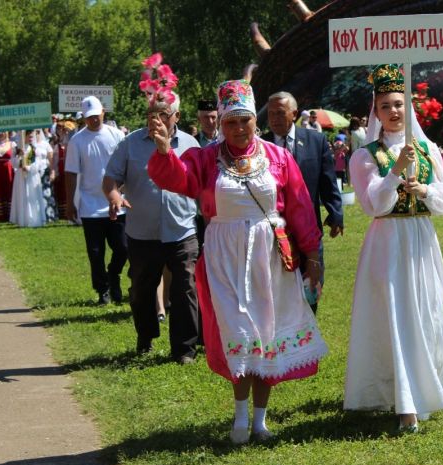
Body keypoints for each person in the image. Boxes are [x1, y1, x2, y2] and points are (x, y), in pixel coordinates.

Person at [147, 79, 328, 444]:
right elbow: (175, 179)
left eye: (244, 120)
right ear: (221, 124)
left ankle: (259, 421)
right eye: (231, 122)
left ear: (254, 121)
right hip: (223, 257)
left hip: (270, 255)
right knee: (239, 333)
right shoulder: (204, 158)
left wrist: (311, 254)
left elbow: (300, 207)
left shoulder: (278, 158)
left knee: (268, 333)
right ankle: (240, 419)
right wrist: (165, 150)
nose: (238, 128)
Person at [343, 64, 443, 432]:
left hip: (421, 240)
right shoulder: (364, 157)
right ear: (375, 112)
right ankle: (403, 403)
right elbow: (374, 205)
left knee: (425, 312)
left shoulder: (427, 149)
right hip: (388, 243)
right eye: (385, 106)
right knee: (395, 316)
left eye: (398, 104)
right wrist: (395, 173)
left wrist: (426, 191)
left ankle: (426, 390)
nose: (393, 111)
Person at [103, 92, 201, 363]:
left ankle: (184, 349)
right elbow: (111, 177)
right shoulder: (130, 143)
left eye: (162, 115)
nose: (155, 120)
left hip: (182, 231)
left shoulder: (191, 145)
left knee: (186, 289)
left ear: (177, 117)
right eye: (150, 115)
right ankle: (145, 335)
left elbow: (200, 182)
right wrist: (113, 197)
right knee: (141, 291)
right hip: (142, 233)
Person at [263, 91, 344, 314]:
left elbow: (328, 182)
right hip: (273, 230)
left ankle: (309, 335)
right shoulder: (260, 145)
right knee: (276, 289)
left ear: (294, 114)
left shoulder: (315, 141)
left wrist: (336, 214)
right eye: (270, 114)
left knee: (311, 285)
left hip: (308, 228)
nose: (275, 119)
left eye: (280, 113)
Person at [65, 96, 127, 305]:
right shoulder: (77, 141)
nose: (94, 120)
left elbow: (127, 167)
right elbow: (71, 173)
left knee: (123, 248)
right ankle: (103, 290)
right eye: (89, 117)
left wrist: (120, 192)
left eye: (97, 115)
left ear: (103, 113)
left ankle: (114, 274)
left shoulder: (117, 135)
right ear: (84, 118)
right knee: (95, 253)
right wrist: (70, 202)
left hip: (116, 203)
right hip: (90, 205)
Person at [9, 130, 50, 227]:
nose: (31, 137)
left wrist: (29, 168)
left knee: (32, 196)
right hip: (20, 176)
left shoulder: (35, 149)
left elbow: (39, 163)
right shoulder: (17, 149)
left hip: (32, 176)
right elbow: (13, 163)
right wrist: (19, 157)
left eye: (32, 135)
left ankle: (34, 219)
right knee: (22, 195)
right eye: (28, 135)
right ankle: (23, 219)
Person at [52, 119, 76, 219]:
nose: (65, 132)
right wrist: (56, 172)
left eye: (67, 130)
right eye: (63, 130)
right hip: (62, 170)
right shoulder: (58, 146)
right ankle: (63, 212)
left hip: (71, 169)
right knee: (62, 191)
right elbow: (55, 161)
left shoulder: (74, 142)